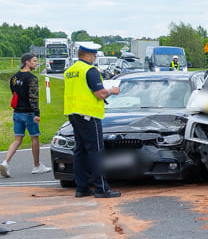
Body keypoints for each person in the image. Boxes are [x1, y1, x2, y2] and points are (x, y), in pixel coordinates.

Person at [63, 42, 121, 198]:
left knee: (80, 151)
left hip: (73, 113)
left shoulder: (70, 71)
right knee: (95, 151)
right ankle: (101, 188)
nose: (95, 57)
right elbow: (100, 94)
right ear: (87, 55)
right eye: (94, 55)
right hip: (89, 114)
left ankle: (81, 187)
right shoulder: (90, 70)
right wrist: (112, 90)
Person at [0, 53, 51, 177]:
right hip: (29, 112)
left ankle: (5, 162)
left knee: (18, 139)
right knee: (34, 137)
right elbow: (33, 97)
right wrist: (37, 113)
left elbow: (14, 92)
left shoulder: (14, 77)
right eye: (34, 61)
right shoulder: (31, 78)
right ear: (27, 62)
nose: (36, 63)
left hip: (17, 112)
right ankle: (37, 165)